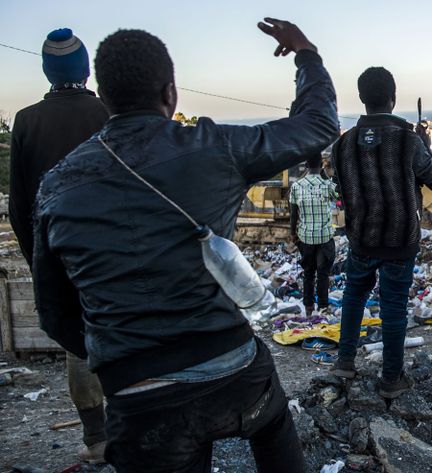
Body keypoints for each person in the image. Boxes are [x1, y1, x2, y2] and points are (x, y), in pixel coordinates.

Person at [32, 19, 338, 472]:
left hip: (138, 401)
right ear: (170, 94)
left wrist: (124, 356)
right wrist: (306, 53)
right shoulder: (215, 147)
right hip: (233, 372)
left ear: (105, 97)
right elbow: (316, 124)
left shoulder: (57, 186)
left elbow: (54, 314)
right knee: (272, 424)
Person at [9, 28, 109, 464]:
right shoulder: (108, 112)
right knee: (123, 332)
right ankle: (133, 422)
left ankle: (97, 439)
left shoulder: (27, 120)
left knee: (78, 343)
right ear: (85, 69)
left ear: (48, 71)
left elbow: (18, 203)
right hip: (113, 248)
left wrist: (39, 261)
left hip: (57, 251)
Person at [329, 67, 432, 398]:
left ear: (363, 99)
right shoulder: (408, 141)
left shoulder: (344, 144)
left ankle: (345, 362)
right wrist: (424, 145)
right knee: (393, 305)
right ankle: (391, 379)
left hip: (361, 238)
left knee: (354, 295)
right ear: (393, 98)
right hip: (399, 239)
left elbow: (341, 185)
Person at [289, 154, 338, 315]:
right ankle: (323, 306)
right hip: (324, 236)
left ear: (307, 166)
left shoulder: (297, 186)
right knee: (323, 274)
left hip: (305, 237)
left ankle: (308, 307)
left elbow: (294, 214)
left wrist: (293, 234)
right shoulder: (327, 185)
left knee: (308, 273)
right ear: (321, 165)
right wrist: (325, 175)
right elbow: (338, 198)